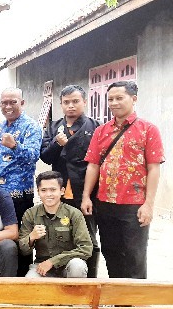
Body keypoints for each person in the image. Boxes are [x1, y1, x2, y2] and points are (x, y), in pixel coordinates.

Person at [82, 81, 165, 279]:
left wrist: (149, 204)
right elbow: (93, 165)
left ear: (133, 99)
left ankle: (133, 303)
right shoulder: (101, 131)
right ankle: (118, 301)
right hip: (104, 203)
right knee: (111, 253)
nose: (114, 103)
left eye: (119, 98)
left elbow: (154, 168)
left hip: (134, 205)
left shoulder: (148, 129)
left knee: (134, 255)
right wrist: (86, 196)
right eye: (110, 99)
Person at [40, 85, 100, 277]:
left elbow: (98, 160)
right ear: (61, 104)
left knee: (88, 237)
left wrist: (88, 195)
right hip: (60, 191)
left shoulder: (95, 126)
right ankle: (62, 274)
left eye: (75, 101)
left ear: (84, 102)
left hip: (86, 192)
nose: (71, 106)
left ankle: (90, 280)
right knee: (61, 234)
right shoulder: (53, 126)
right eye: (66, 102)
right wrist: (57, 143)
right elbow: (46, 158)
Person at [0, 88, 41, 276]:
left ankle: (21, 279)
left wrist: (14, 145)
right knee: (2, 236)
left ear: (22, 103)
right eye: (4, 103)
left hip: (19, 194)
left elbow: (34, 156)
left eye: (12, 102)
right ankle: (5, 274)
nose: (8, 106)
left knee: (21, 238)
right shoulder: (0, 127)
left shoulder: (31, 126)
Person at [19, 171, 92, 278]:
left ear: (62, 191)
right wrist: (31, 237)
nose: (48, 194)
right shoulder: (30, 214)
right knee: (30, 280)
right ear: (38, 192)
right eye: (43, 190)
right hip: (41, 266)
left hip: (68, 265)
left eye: (53, 190)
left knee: (78, 266)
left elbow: (86, 248)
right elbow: (23, 250)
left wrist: (53, 261)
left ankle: (75, 295)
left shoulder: (73, 214)